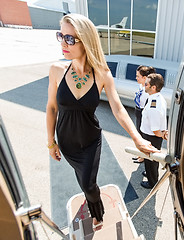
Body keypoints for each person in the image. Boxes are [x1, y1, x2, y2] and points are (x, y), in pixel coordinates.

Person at [46, 13, 157, 231]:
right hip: (66, 142)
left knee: (88, 184)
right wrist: (51, 141)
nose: (63, 43)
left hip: (89, 142)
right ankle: (92, 203)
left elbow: (118, 109)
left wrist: (137, 138)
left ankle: (98, 213)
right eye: (61, 36)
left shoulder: (102, 74)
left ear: (86, 41)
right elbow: (51, 107)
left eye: (70, 39)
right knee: (82, 180)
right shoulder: (56, 70)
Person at [140, 73, 168, 189]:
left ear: (153, 87)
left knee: (151, 160)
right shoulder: (156, 98)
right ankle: (151, 174)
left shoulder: (154, 106)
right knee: (151, 160)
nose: (144, 86)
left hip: (151, 137)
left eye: (146, 84)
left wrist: (163, 135)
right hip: (151, 136)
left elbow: (156, 130)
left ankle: (152, 182)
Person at [133, 65, 156, 164]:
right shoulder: (141, 86)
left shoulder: (149, 90)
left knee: (143, 136)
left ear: (145, 78)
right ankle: (140, 154)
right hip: (138, 111)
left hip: (143, 113)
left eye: (138, 76)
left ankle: (143, 157)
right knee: (139, 133)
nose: (136, 78)